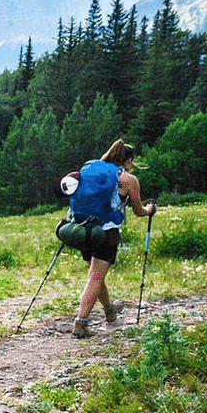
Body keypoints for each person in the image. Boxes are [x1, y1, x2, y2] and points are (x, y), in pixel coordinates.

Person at [73, 139, 156, 338]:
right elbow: (138, 211)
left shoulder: (91, 167)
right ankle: (80, 323)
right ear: (128, 160)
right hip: (107, 231)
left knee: (95, 277)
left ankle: (110, 311)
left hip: (83, 228)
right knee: (95, 277)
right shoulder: (128, 180)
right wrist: (149, 210)